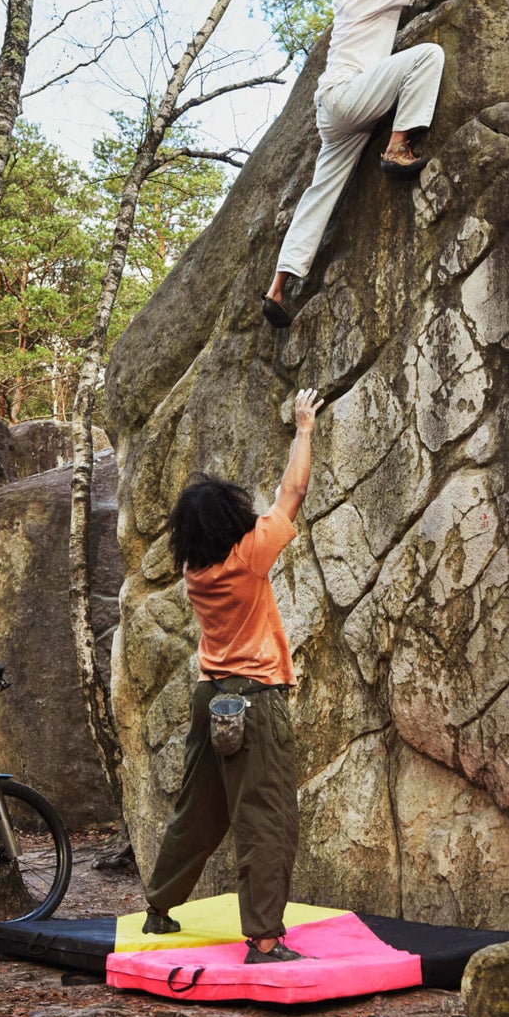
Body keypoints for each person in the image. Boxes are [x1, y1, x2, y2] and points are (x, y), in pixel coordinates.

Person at [261, 0, 509, 328]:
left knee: (320, 193)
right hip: (352, 95)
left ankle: (277, 288)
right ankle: (398, 146)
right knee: (426, 56)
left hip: (335, 110)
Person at [141, 388, 321, 963]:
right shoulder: (249, 556)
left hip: (209, 696)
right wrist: (304, 429)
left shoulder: (195, 568)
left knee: (199, 807)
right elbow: (292, 491)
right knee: (266, 816)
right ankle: (265, 940)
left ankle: (159, 907)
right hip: (254, 701)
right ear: (232, 522)